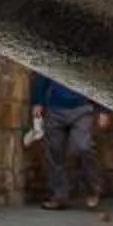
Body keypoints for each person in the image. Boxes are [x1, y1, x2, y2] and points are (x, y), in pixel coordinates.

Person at [26, 70, 102, 209]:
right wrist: (38, 102)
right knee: (54, 152)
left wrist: (103, 110)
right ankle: (59, 195)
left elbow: (100, 79)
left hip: (83, 108)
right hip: (55, 108)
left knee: (83, 146)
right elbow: (43, 72)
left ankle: (92, 189)